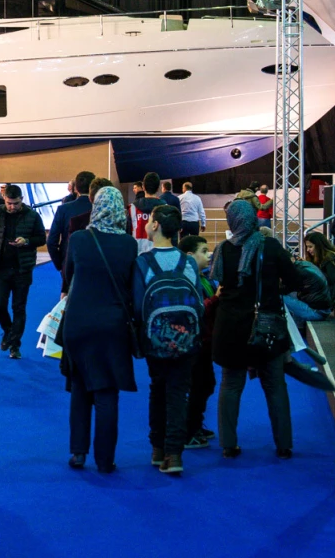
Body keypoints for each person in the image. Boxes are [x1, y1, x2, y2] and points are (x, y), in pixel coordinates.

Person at [211, 200, 300, 459]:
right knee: (275, 385)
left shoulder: (222, 249)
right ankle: (284, 445)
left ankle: (228, 444)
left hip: (230, 328)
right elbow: (294, 279)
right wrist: (274, 291)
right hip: (265, 326)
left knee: (230, 385)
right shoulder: (269, 245)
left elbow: (220, 283)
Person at [61, 186, 139, 473]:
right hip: (112, 325)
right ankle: (105, 460)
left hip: (78, 322)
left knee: (80, 387)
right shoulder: (129, 244)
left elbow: (68, 275)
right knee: (107, 393)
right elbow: (130, 285)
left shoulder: (80, 239)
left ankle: (78, 453)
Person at [133, 206, 201, 475]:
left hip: (156, 341)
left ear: (156, 225)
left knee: (157, 389)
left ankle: (157, 449)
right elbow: (198, 301)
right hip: (187, 341)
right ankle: (174, 455)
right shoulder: (189, 262)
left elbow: (138, 306)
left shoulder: (143, 262)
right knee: (178, 394)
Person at [0, 184, 47, 359]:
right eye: (9, 203)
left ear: (22, 200)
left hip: (22, 269)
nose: (12, 207)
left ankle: (15, 345)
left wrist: (27, 241)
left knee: (19, 308)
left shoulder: (32, 216)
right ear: (4, 199)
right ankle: (9, 332)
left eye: (16, 203)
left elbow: (41, 238)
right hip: (1, 268)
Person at [179, 235, 218, 449]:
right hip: (194, 341)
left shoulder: (203, 277)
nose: (208, 255)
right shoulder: (187, 280)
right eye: (203, 251)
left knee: (205, 384)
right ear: (189, 255)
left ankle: (194, 425)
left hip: (205, 340)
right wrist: (217, 298)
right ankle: (189, 430)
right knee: (199, 385)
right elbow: (197, 308)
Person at [48, 171, 95, 277]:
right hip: (95, 262)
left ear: (76, 189)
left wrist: (60, 264)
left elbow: (51, 241)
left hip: (69, 260)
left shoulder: (63, 209)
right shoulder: (100, 209)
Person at [130, 172, 165, 253]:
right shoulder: (165, 208)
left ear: (143, 187)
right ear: (158, 188)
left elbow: (128, 232)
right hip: (159, 253)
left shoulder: (132, 207)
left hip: (138, 252)